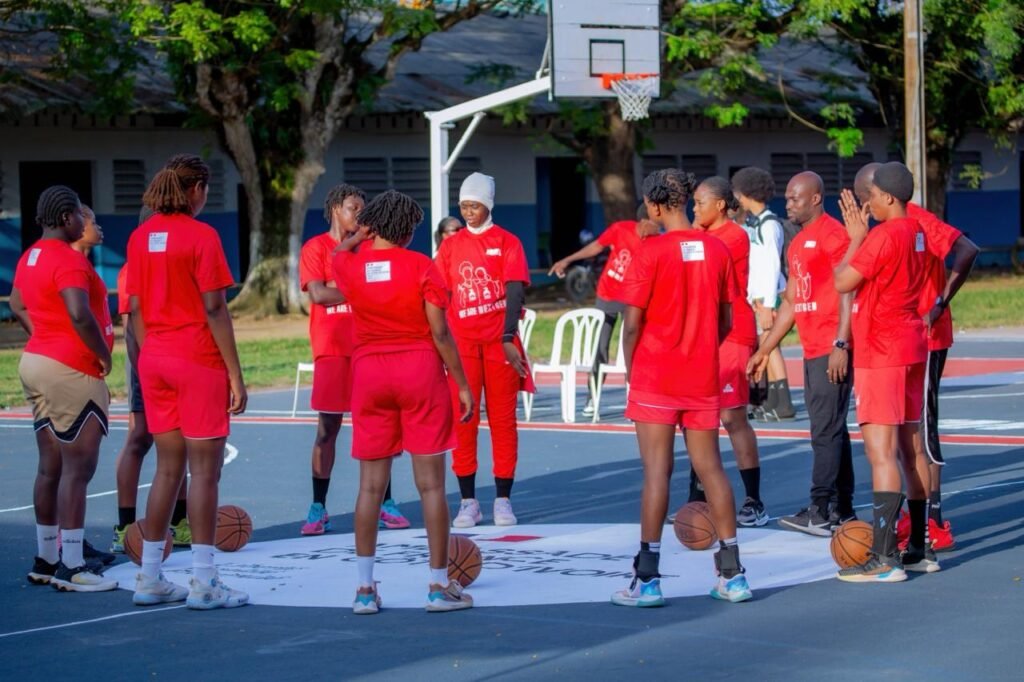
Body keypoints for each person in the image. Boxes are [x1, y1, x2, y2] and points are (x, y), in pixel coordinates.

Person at [612, 168, 753, 607]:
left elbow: (631, 326)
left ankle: (647, 579)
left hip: (656, 375)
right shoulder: (717, 248)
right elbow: (726, 319)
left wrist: (632, 372)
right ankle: (733, 575)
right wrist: (700, 348)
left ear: (654, 206)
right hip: (701, 374)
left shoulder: (649, 252)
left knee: (657, 472)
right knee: (712, 470)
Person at [333, 190, 476, 614]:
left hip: (370, 374)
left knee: (369, 487)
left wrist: (356, 237)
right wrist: (462, 383)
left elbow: (338, 253)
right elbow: (440, 332)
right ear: (409, 230)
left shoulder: (351, 265)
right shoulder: (422, 266)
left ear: (372, 225)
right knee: (431, 486)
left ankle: (364, 589)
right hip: (418, 371)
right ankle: (438, 585)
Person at [127, 154, 249, 609]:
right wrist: (235, 373)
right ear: (196, 189)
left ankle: (149, 576)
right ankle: (204, 580)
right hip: (196, 359)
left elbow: (135, 309)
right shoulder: (202, 235)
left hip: (154, 358)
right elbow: (215, 308)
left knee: (167, 469)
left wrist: (152, 354)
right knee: (205, 473)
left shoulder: (140, 237)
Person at [11, 186, 116, 591]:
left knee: (49, 467)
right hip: (70, 369)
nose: (84, 221)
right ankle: (72, 565)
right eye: (80, 215)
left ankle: (46, 558)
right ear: (68, 217)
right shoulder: (67, 259)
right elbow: (79, 312)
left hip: (35, 362)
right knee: (78, 468)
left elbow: (17, 303)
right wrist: (103, 354)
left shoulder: (30, 256)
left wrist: (44, 336)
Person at [834, 161, 933, 582]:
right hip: (911, 342)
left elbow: (842, 281)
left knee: (882, 452)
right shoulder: (918, 231)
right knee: (912, 450)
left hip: (881, 349)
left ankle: (885, 557)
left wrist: (856, 238)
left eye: (871, 197)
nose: (868, 205)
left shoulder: (883, 235)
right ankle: (920, 549)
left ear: (888, 197)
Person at [749, 171, 856, 535]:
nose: (789, 204)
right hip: (812, 348)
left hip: (831, 346)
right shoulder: (796, 244)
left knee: (824, 430)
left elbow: (848, 291)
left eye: (795, 198)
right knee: (832, 428)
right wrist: (765, 350)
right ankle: (843, 508)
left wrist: (841, 343)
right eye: (787, 198)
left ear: (815, 198)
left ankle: (819, 508)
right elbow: (792, 303)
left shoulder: (834, 236)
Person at [299, 184, 409, 536]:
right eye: (353, 208)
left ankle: (385, 503)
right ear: (335, 208)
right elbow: (318, 294)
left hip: (368, 347)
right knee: (327, 430)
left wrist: (353, 290)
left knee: (377, 428)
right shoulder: (315, 248)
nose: (359, 214)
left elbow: (387, 288)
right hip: (332, 347)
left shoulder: (369, 249)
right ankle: (318, 507)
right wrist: (361, 289)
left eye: (363, 209)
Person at [434, 172, 532, 528]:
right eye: (463, 206)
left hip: (499, 343)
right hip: (462, 345)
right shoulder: (451, 246)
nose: (468, 212)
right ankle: (468, 501)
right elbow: (437, 293)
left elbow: (516, 290)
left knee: (503, 421)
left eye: (474, 205)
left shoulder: (507, 241)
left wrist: (508, 336)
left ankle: (503, 499)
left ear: (488, 205)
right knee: (465, 419)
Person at [890, 172, 978, 552]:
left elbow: (967, 250)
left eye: (867, 196)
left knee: (923, 430)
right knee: (906, 430)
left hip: (927, 338)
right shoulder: (891, 228)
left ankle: (934, 521)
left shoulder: (920, 220)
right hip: (903, 340)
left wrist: (939, 303)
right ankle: (919, 513)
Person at [111, 207, 191, 554]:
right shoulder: (134, 268)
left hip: (174, 360)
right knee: (139, 438)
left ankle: (180, 522)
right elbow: (130, 328)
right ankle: (125, 526)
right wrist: (145, 368)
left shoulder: (169, 262)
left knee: (178, 441)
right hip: (147, 362)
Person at [690, 176, 767, 527]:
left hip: (732, 332)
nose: (694, 209)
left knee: (732, 417)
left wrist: (690, 234)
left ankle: (754, 501)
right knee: (700, 416)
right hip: (703, 334)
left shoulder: (733, 236)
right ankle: (697, 499)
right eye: (693, 204)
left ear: (720, 205)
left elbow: (702, 269)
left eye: (700, 203)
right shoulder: (701, 236)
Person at [548, 206, 660, 417]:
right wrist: (568, 260)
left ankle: (636, 396)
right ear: (644, 221)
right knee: (600, 347)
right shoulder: (621, 229)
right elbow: (596, 247)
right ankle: (592, 396)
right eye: (657, 224)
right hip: (608, 295)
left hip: (633, 300)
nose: (659, 228)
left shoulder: (656, 241)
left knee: (635, 349)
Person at [732, 166, 795, 420]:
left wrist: (768, 304)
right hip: (759, 296)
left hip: (769, 296)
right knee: (767, 347)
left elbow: (771, 265)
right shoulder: (755, 223)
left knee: (770, 347)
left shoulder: (769, 225)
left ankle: (784, 403)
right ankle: (773, 401)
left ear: (747, 194)